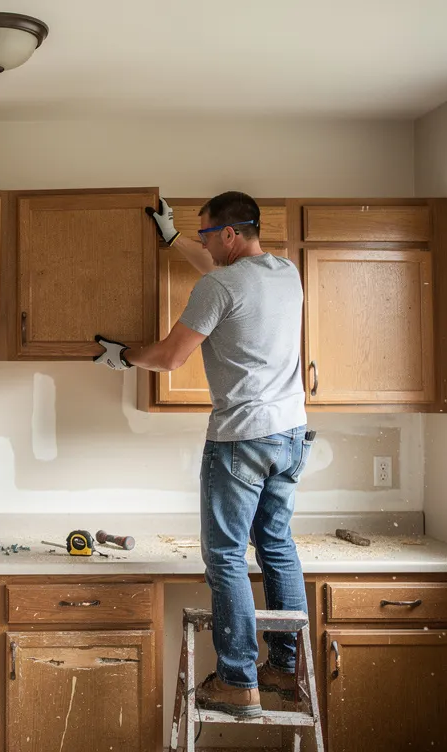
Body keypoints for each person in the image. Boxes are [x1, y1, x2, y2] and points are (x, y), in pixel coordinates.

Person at [93, 192, 311, 717]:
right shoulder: (286, 271)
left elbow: (170, 357)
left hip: (240, 438)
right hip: (291, 437)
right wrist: (175, 241)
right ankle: (283, 666)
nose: (207, 244)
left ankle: (237, 680)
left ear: (231, 234)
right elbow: (228, 276)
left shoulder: (218, 285)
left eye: (208, 234)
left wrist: (124, 358)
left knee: (226, 556)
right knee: (276, 546)